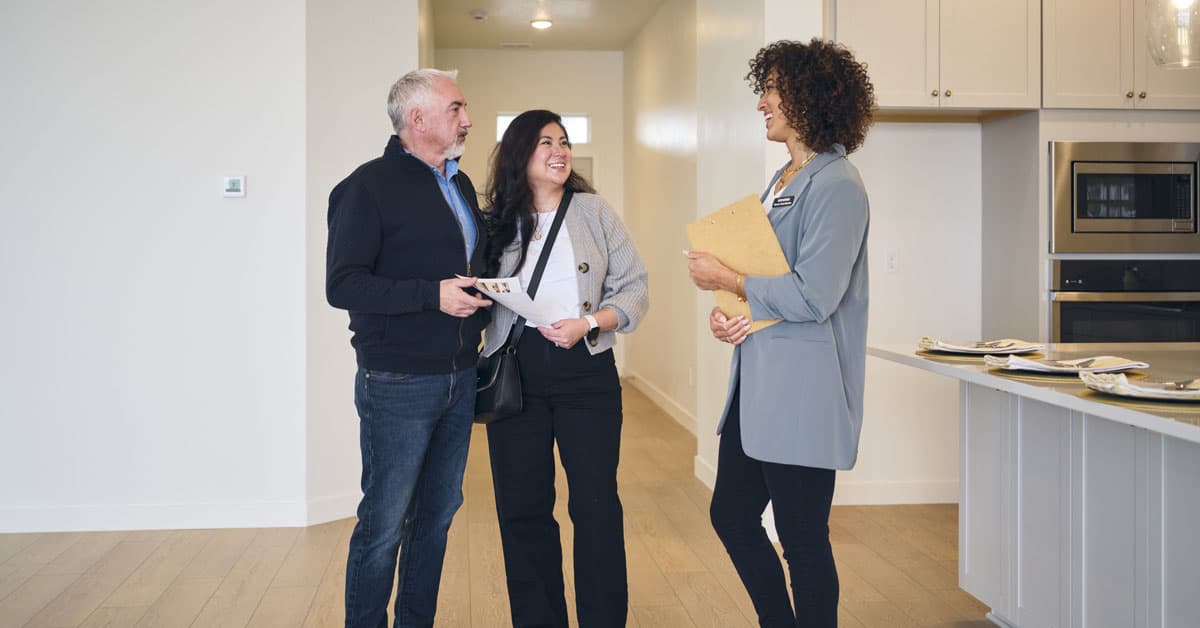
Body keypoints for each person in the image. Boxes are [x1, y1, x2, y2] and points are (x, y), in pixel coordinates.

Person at [685, 39, 875, 628]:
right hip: (758, 386)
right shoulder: (784, 179)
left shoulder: (838, 183)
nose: (761, 102)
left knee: (801, 537)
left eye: (771, 89)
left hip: (803, 393)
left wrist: (729, 279)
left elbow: (816, 295)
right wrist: (731, 313)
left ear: (810, 97)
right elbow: (771, 278)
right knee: (733, 516)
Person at [325, 68, 491, 628]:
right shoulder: (365, 187)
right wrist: (432, 297)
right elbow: (343, 285)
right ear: (416, 119)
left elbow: (467, 269)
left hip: (460, 377)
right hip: (396, 382)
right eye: (456, 108)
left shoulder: (461, 185)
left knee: (438, 517)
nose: (467, 119)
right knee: (385, 523)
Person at [480, 109, 648, 628]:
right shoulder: (495, 219)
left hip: (586, 371)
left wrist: (590, 323)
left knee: (596, 507)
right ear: (519, 155)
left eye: (564, 142)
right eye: (545, 143)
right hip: (515, 371)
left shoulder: (594, 211)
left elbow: (635, 288)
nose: (560, 151)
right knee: (523, 510)